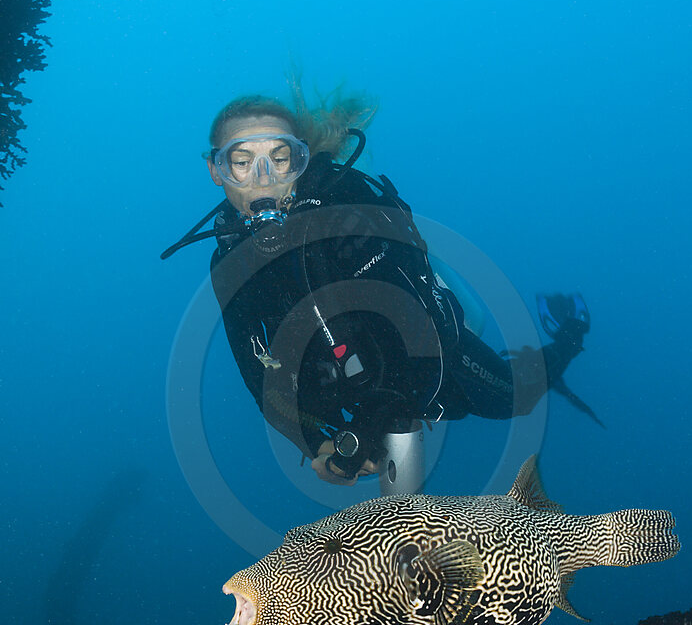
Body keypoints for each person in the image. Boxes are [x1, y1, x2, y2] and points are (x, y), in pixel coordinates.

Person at [162, 85, 596, 486]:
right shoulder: (228, 260)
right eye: (241, 161)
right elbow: (257, 373)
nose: (263, 178)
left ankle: (570, 336)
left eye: (279, 158)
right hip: (344, 384)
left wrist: (385, 409)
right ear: (215, 170)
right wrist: (314, 445)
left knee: (514, 399)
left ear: (303, 160)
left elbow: (427, 332)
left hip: (433, 359)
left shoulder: (352, 212)